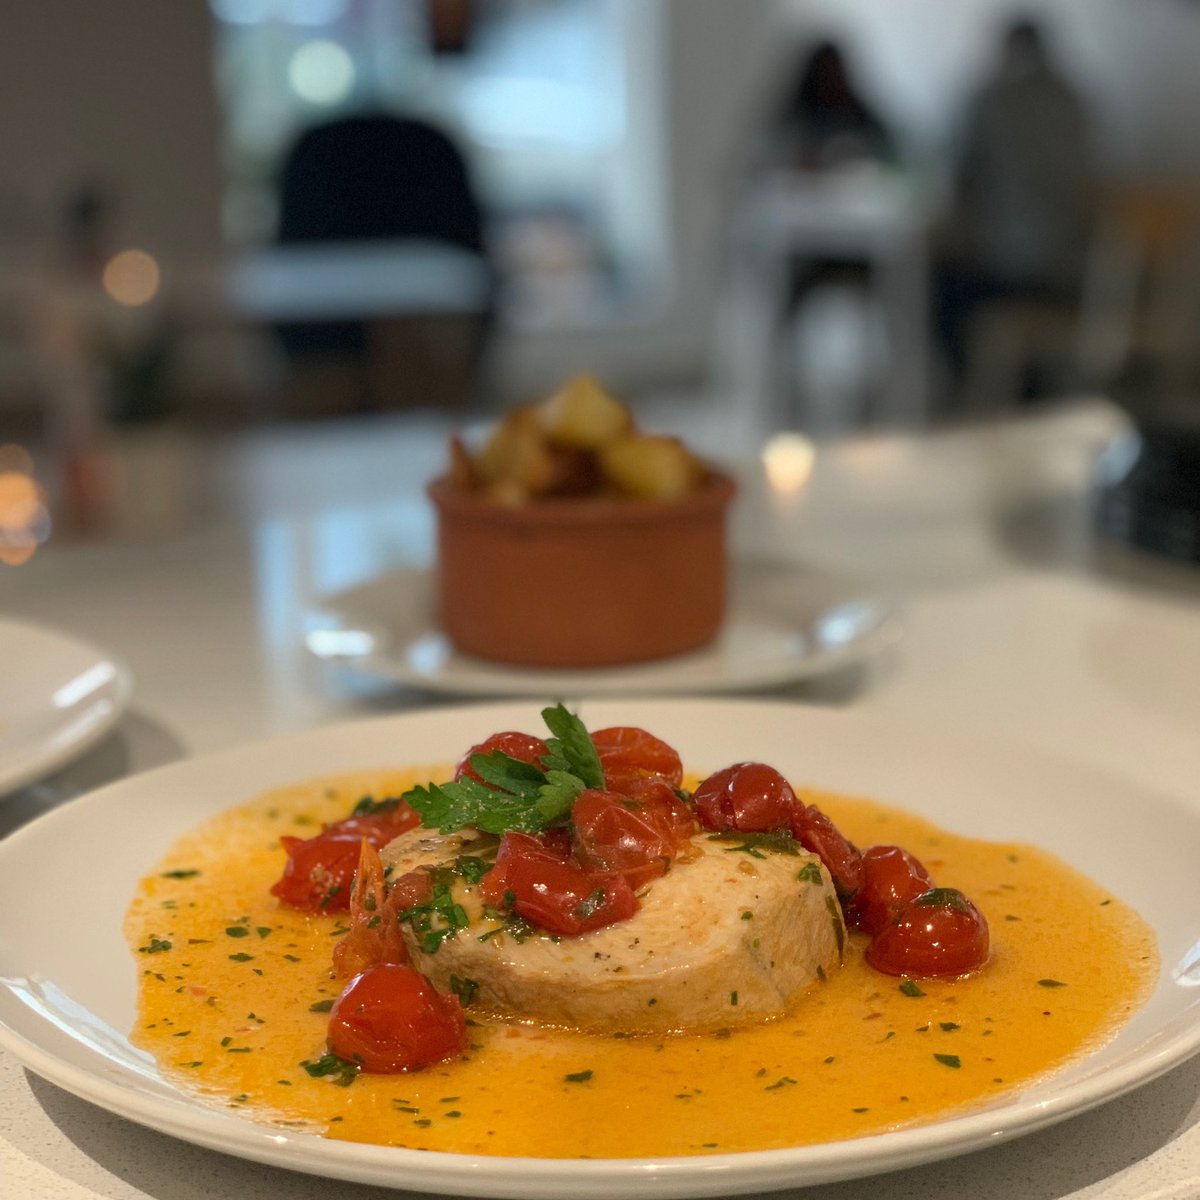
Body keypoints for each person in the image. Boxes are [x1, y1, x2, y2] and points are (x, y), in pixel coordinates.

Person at [934, 17, 1099, 395]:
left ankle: (959, 392)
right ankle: (1027, 390)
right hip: (1078, 270)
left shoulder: (990, 99)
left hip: (1016, 270)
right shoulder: (1074, 101)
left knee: (939, 286)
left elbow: (958, 176)